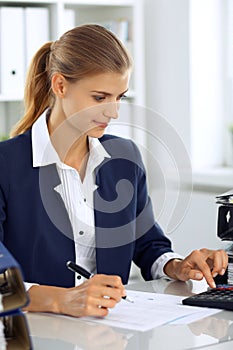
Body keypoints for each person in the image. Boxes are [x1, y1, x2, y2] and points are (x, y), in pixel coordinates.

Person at [0, 24, 228, 318]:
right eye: (100, 97)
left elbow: (148, 244)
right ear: (60, 86)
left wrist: (178, 266)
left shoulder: (124, 158)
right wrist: (58, 300)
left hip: (110, 330)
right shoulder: (7, 164)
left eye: (120, 97)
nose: (114, 112)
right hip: (30, 329)